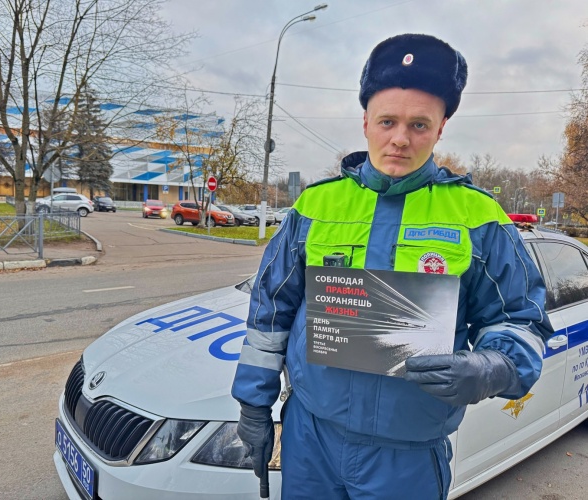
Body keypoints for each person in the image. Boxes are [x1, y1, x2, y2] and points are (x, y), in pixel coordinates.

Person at [231, 33, 553, 500]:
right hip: (310, 442)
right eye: (387, 121)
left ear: (441, 128)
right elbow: (270, 314)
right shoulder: (314, 205)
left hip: (406, 457)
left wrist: (487, 368)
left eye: (419, 125)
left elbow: (521, 320)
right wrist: (253, 405)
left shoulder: (479, 218)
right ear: (365, 122)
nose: (400, 139)